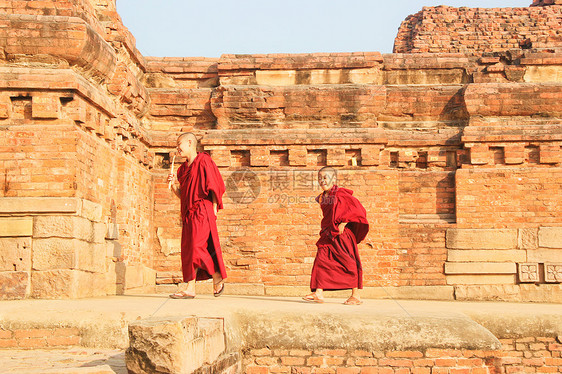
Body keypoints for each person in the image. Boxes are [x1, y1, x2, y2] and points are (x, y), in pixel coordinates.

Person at [167, 133, 227, 299]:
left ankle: (216, 275)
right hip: (188, 212)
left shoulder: (204, 161)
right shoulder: (182, 170)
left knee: (197, 247)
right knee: (188, 250)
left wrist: (214, 207)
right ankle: (190, 288)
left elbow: (215, 184)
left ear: (189, 142)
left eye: (179, 144)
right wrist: (173, 186)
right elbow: (184, 195)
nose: (177, 148)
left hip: (203, 208)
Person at [302, 167, 369, 305]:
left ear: (333, 179)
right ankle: (318, 292)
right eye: (320, 178)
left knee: (348, 262)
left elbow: (356, 209)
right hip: (328, 233)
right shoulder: (322, 197)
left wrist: (344, 223)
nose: (322, 181)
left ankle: (356, 295)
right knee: (321, 259)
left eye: (325, 178)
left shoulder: (340, 193)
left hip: (341, 234)